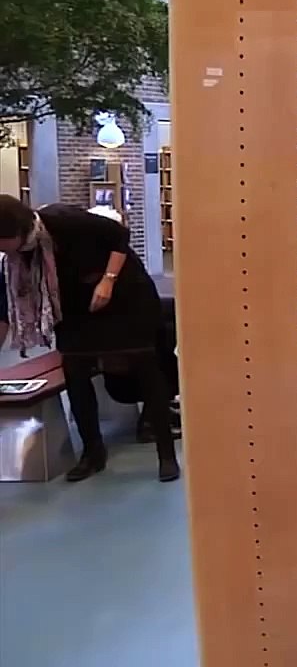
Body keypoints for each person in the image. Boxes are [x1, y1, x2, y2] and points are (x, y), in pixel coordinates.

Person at [0, 195, 180, 482]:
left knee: (147, 369)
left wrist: (107, 280)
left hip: (124, 297)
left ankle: (166, 454)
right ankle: (92, 453)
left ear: (15, 229)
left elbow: (119, 235)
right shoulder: (21, 254)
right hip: (75, 306)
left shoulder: (61, 220)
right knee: (75, 372)